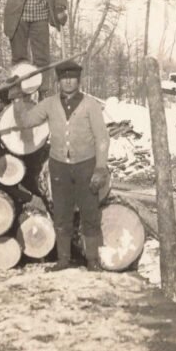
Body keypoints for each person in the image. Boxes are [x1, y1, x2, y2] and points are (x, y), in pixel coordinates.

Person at [11, 60, 108, 271]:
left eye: (72, 78)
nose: (68, 82)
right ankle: (63, 260)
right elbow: (26, 121)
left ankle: (93, 259)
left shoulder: (90, 105)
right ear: (58, 81)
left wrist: (100, 167)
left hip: (86, 165)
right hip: (59, 166)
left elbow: (102, 137)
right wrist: (18, 98)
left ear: (79, 81)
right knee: (62, 212)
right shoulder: (49, 103)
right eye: (64, 78)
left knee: (89, 213)